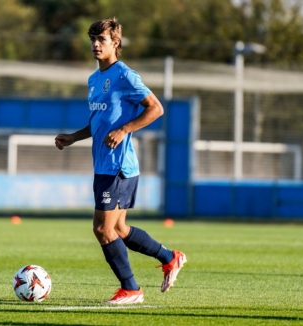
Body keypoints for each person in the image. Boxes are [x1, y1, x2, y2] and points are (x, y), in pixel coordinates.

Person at [55, 18, 186, 304]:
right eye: (92, 39)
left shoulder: (126, 76)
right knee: (119, 229)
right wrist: (74, 137)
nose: (95, 44)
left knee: (102, 229)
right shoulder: (93, 80)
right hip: (104, 165)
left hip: (119, 166)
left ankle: (131, 289)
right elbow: (101, 122)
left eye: (101, 39)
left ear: (116, 43)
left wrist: (126, 129)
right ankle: (170, 257)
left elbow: (156, 108)